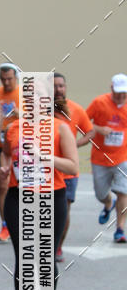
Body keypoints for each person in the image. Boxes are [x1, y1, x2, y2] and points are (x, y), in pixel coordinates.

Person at [0, 99, 79, 290]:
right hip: (18, 196)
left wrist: (44, 156)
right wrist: (4, 169)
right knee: (24, 257)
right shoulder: (14, 128)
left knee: (44, 256)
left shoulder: (60, 128)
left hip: (51, 196)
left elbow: (73, 166)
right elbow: (5, 154)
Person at [53, 73, 94, 260]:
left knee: (63, 209)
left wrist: (74, 146)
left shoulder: (75, 109)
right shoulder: (42, 110)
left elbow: (90, 132)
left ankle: (57, 247)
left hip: (67, 171)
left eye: (61, 86)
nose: (58, 89)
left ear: (66, 87)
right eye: (54, 86)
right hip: (44, 170)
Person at [86, 74, 127, 243]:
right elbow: (83, 122)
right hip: (100, 158)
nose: (121, 97)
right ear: (111, 88)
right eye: (118, 93)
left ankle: (120, 229)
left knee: (123, 191)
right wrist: (99, 128)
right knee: (100, 193)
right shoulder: (99, 102)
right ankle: (108, 203)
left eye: (124, 94)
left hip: (122, 157)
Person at [0, 63, 20, 240]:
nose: (7, 82)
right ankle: (5, 226)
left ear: (16, 77)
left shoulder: (25, 93)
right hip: (0, 146)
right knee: (2, 184)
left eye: (9, 79)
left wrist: (19, 113)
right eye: (3, 79)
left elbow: (38, 116)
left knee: (22, 187)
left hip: (21, 147)